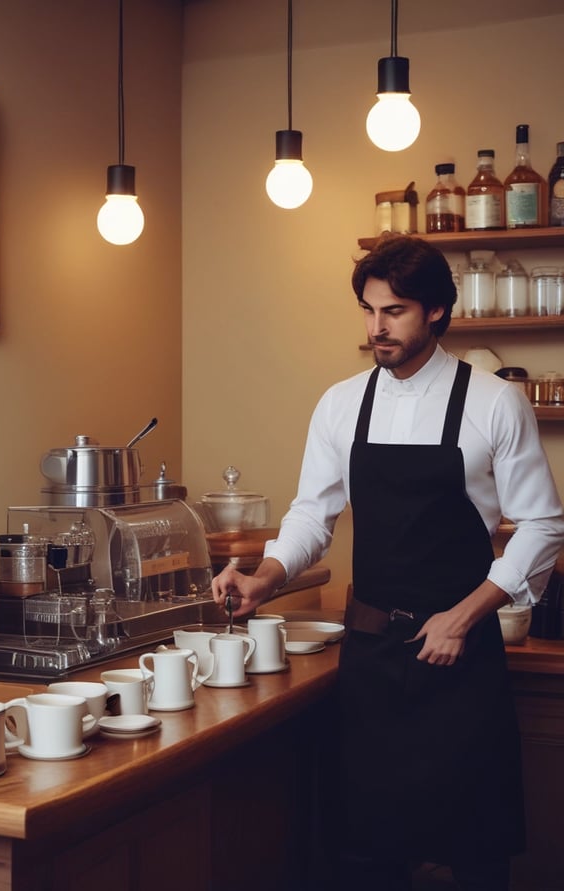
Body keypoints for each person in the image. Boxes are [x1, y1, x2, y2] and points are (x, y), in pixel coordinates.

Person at [211, 234, 564, 891]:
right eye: (369, 311)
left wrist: (463, 617)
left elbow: (543, 525)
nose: (377, 327)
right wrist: (265, 576)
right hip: (371, 657)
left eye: (394, 311)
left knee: (476, 854)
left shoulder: (493, 401)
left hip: (462, 656)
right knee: (367, 854)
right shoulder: (341, 403)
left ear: (436, 310)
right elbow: (313, 515)